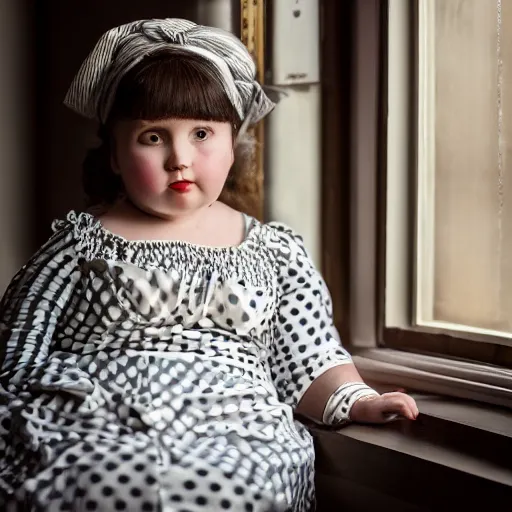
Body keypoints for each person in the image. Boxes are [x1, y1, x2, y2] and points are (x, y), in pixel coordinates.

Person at [0, 18, 418, 512]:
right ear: (114, 153)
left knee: (228, 486)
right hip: (92, 425)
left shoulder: (272, 251)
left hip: (236, 431)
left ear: (233, 143)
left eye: (201, 133)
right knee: (103, 480)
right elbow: (16, 352)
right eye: (153, 137)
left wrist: (359, 399)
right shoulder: (79, 244)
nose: (180, 158)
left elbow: (309, 357)